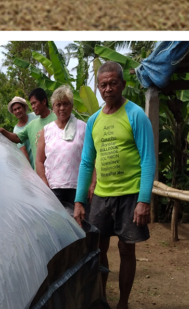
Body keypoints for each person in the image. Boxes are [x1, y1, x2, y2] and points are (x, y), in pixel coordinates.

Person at [74, 62, 155, 309]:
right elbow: (87, 162)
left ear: (123, 84)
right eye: (103, 85)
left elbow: (148, 159)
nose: (108, 89)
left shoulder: (136, 115)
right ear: (98, 87)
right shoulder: (94, 121)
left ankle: (123, 302)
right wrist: (79, 200)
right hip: (101, 196)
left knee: (126, 249)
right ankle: (102, 299)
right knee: (98, 249)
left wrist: (143, 200)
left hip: (130, 196)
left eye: (113, 83)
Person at [35, 86, 86, 211]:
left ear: (72, 106)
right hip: (53, 189)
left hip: (77, 188)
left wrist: (90, 184)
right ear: (53, 107)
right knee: (55, 226)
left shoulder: (83, 127)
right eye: (58, 104)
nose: (62, 108)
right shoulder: (46, 131)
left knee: (79, 225)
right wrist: (45, 184)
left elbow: (92, 158)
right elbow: (39, 161)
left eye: (65, 104)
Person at [0, 88, 56, 168]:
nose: (33, 107)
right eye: (14, 110)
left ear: (43, 101)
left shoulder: (56, 117)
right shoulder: (31, 125)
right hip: (39, 169)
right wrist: (3, 131)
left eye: (34, 103)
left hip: (56, 168)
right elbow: (18, 139)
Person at [7, 96, 31, 160]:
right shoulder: (16, 130)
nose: (17, 111)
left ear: (23, 107)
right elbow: (23, 151)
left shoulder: (35, 116)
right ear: (13, 112)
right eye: (15, 110)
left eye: (19, 108)